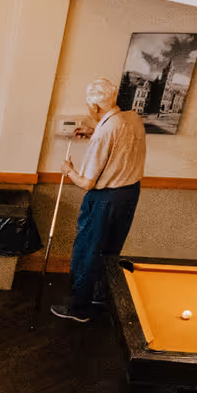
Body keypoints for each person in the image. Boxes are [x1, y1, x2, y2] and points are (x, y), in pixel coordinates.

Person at [51, 78, 148, 323]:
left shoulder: (105, 132)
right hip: (129, 194)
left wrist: (68, 170)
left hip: (105, 198)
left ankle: (78, 309)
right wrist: (93, 131)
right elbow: (120, 140)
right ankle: (99, 297)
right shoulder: (133, 118)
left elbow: (87, 183)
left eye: (89, 107)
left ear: (94, 107)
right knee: (110, 250)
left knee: (87, 252)